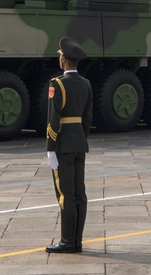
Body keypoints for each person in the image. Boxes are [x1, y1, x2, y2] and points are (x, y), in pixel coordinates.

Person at [45, 37, 93, 253]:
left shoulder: (57, 85)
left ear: (63, 60)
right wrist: (80, 138)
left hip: (63, 144)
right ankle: (77, 241)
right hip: (79, 144)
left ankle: (67, 242)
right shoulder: (86, 84)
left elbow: (54, 118)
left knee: (65, 194)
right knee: (79, 193)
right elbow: (87, 118)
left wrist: (50, 147)